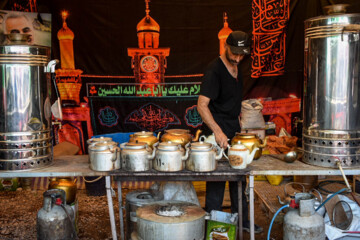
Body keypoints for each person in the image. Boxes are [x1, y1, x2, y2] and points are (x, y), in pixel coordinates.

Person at [197, 31, 263, 233]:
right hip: (216, 133)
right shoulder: (214, 71)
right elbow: (201, 105)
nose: (237, 58)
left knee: (239, 178)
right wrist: (217, 131)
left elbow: (232, 102)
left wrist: (241, 124)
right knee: (217, 181)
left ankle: (242, 219)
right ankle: (213, 225)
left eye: (241, 55)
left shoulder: (237, 67)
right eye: (234, 53)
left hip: (234, 130)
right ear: (226, 46)